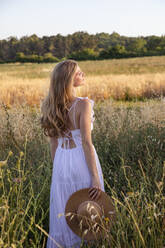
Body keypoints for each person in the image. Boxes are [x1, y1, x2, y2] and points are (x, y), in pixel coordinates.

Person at [40, 59, 105, 248]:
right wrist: (94, 177)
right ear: (68, 79)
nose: (82, 75)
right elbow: (86, 142)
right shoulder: (83, 104)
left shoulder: (50, 105)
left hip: (61, 161)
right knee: (88, 211)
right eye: (78, 73)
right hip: (80, 161)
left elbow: (53, 142)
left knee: (64, 212)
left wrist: (58, 170)